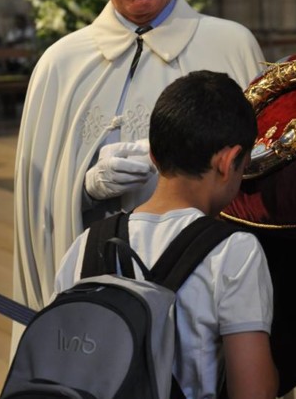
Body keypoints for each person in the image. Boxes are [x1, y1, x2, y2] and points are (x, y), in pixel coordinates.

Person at [13, 0, 265, 322]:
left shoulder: (231, 46)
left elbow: (261, 172)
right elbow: (36, 212)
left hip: (208, 288)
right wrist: (85, 188)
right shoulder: (59, 64)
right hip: (96, 294)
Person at [53, 70, 277, 399]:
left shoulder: (85, 245)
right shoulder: (234, 251)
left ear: (154, 156)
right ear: (228, 162)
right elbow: (252, 391)